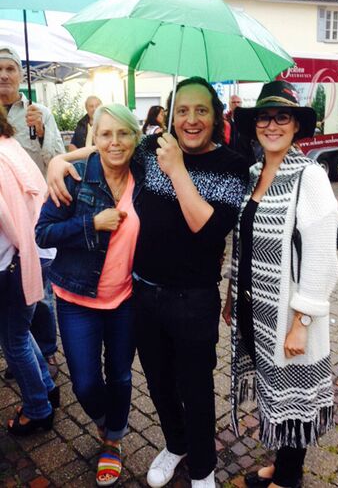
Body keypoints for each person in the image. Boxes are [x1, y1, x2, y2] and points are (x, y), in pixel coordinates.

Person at [45, 77, 248, 488]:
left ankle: (203, 468)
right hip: (143, 293)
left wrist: (178, 171)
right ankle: (176, 444)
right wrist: (59, 160)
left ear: (216, 116)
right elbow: (109, 149)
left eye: (201, 110)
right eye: (183, 110)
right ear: (170, 115)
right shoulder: (153, 148)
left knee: (195, 385)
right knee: (158, 382)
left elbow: (208, 230)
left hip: (193, 299)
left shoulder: (232, 164)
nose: (191, 119)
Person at [223, 80, 338, 488]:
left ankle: (288, 479)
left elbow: (322, 256)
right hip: (255, 306)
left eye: (282, 117)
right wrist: (232, 296)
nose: (271, 125)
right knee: (274, 388)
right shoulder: (255, 173)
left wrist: (301, 322)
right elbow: (244, 242)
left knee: (293, 394)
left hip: (289, 313)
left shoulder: (310, 176)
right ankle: (284, 466)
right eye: (264, 117)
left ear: (296, 126)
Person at [36, 104, 143, 487]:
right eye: (106, 134)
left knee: (120, 376)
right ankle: (105, 422)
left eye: (123, 133)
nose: (115, 142)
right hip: (76, 300)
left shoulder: (145, 176)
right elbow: (42, 233)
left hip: (125, 299)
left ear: (135, 138)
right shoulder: (76, 177)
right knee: (84, 383)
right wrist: (91, 223)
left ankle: (112, 441)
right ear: (94, 138)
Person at [0, 45, 64, 379]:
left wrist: (40, 134)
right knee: (11, 294)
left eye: (10, 68)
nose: (3, 75)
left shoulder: (38, 113)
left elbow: (56, 161)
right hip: (3, 221)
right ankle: (24, 353)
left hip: (35, 216)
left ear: (21, 74)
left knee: (39, 293)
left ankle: (47, 351)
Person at [0, 105, 58, 437]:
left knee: (13, 339)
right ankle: (46, 388)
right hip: (38, 250)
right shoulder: (10, 145)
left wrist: (22, 248)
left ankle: (38, 409)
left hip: (17, 258)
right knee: (20, 332)